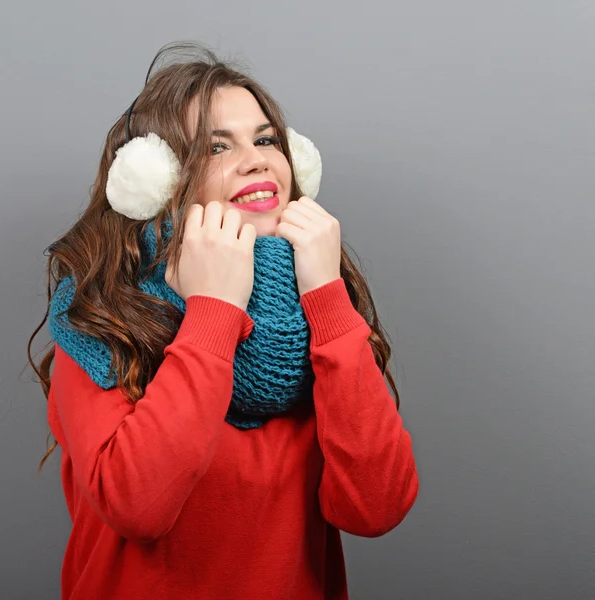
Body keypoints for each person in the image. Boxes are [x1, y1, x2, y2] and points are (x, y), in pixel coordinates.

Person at [28, 41, 419, 600]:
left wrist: (329, 299)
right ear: (157, 182)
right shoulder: (98, 318)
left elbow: (375, 507)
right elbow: (140, 505)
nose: (257, 158)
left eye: (266, 140)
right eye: (216, 147)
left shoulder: (321, 307)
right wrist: (215, 311)